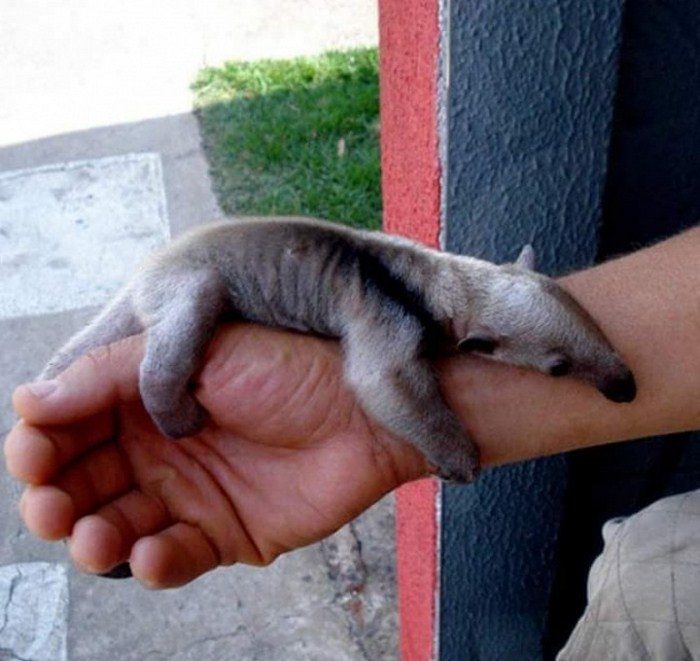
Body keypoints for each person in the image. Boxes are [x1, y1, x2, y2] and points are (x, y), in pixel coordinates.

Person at [4, 226, 700, 590]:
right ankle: (161, 379)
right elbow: (380, 376)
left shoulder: (446, 284)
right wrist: (452, 448)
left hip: (215, 269)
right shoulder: (399, 317)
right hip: (188, 280)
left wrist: (579, 367)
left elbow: (417, 361)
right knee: (171, 355)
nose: (602, 378)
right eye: (556, 365)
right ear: (482, 341)